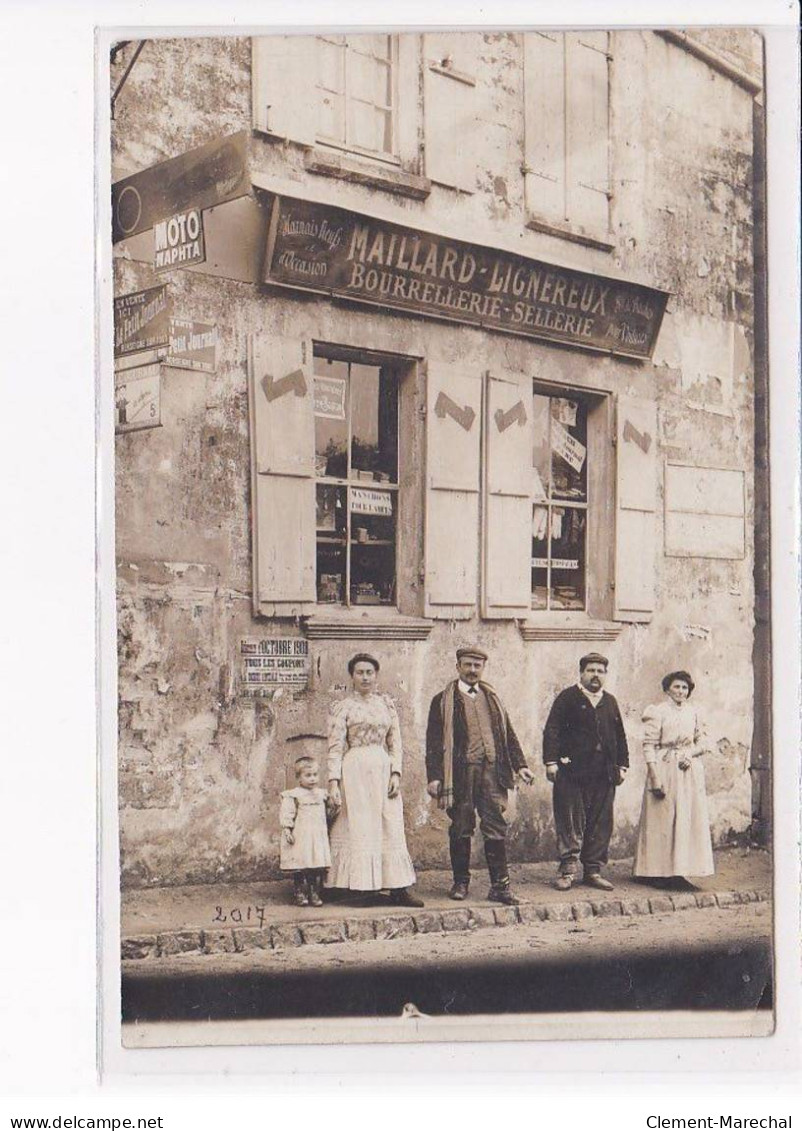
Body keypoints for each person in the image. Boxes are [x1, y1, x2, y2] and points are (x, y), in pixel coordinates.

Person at [426, 646, 535, 905]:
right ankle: (460, 882)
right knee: (461, 826)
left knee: (495, 826)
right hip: (461, 775)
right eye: (468, 665)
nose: (472, 670)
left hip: (493, 773)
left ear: (483, 668)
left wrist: (520, 765)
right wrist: (434, 776)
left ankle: (500, 886)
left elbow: (508, 734)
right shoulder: (443, 701)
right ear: (458, 667)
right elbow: (433, 742)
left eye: (477, 666)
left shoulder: (492, 698)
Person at [326, 653, 423, 907]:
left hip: (382, 768)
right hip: (355, 770)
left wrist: (396, 773)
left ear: (376, 676)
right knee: (359, 825)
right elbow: (335, 748)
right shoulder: (344, 707)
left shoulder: (386, 706)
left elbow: (396, 743)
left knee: (390, 825)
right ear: (352, 676)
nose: (365, 677)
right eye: (360, 672)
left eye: (369, 672)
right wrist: (334, 782)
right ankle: (361, 888)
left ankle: (398, 889)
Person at [543, 653, 629, 892]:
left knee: (601, 823)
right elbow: (552, 730)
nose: (595, 675)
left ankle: (593, 870)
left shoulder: (609, 701)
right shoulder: (568, 698)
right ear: (582, 673)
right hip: (573, 772)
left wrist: (622, 764)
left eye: (600, 671)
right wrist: (551, 762)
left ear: (605, 675)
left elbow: (620, 734)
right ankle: (567, 871)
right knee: (571, 822)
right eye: (591, 670)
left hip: (604, 773)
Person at [633, 670, 714, 888]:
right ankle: (656, 872)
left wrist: (691, 754)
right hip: (665, 766)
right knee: (662, 819)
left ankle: (680, 871)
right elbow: (649, 745)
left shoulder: (695, 713)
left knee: (686, 819)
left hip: (688, 771)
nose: (681, 691)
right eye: (677, 687)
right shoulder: (657, 712)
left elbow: (704, 741)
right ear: (668, 689)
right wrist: (654, 777)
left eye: (685, 688)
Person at [279, 756, 331, 907]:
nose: (312, 779)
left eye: (315, 775)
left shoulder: (321, 794)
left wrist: (333, 807)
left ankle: (314, 892)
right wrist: (287, 829)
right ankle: (299, 892)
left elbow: (328, 812)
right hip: (301, 837)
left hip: (316, 836)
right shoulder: (294, 795)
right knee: (301, 865)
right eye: (308, 775)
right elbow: (287, 813)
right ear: (298, 777)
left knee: (315, 865)